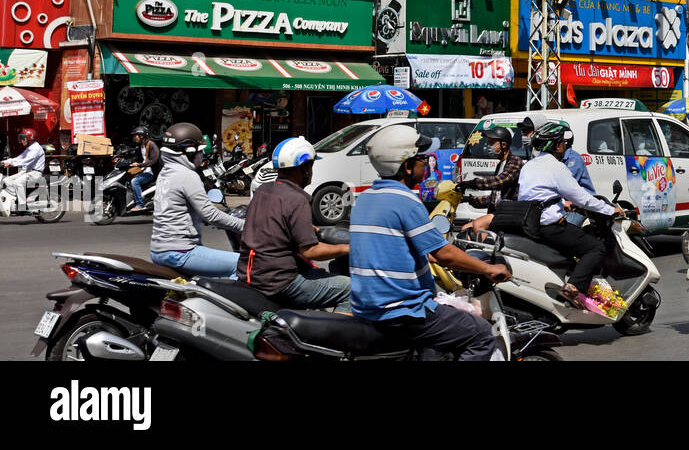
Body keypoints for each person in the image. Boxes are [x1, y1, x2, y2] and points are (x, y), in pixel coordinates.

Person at [349, 124, 510, 361]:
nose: (427, 163)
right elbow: (444, 254)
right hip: (403, 311)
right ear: (406, 166)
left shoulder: (364, 200)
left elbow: (420, 251)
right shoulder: (405, 201)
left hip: (368, 307)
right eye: (422, 158)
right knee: (482, 334)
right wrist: (489, 268)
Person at [237, 137, 351, 312]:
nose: (312, 172)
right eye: (311, 166)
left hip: (252, 273)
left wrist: (303, 229)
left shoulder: (264, 190)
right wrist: (347, 248)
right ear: (305, 169)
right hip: (279, 282)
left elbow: (272, 224)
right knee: (350, 289)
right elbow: (311, 251)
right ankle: (333, 336)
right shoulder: (297, 199)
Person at [517, 122, 623, 310]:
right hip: (551, 226)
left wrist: (561, 203)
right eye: (563, 143)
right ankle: (574, 287)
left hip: (530, 223)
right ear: (557, 145)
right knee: (596, 247)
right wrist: (610, 210)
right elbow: (582, 198)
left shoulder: (529, 166)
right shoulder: (556, 167)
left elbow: (535, 194)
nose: (565, 147)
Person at [149, 123, 245, 277]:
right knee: (244, 265)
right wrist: (247, 226)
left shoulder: (166, 172)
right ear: (188, 152)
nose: (201, 156)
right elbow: (211, 215)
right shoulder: (187, 175)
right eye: (199, 151)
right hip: (180, 252)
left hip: (158, 251)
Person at [0, 128, 44, 216]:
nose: (21, 140)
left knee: (18, 183)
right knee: (6, 180)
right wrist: (4, 162)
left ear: (29, 138)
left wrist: (11, 164)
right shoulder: (30, 148)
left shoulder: (36, 148)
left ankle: (22, 206)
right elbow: (19, 158)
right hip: (26, 172)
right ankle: (14, 200)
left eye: (23, 138)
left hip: (34, 173)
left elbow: (25, 161)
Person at [125, 126, 160, 213]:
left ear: (142, 136)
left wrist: (140, 165)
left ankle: (140, 204)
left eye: (135, 136)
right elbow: (138, 157)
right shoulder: (141, 146)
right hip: (144, 169)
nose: (134, 138)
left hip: (151, 172)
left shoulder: (151, 145)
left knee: (134, 181)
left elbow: (154, 160)